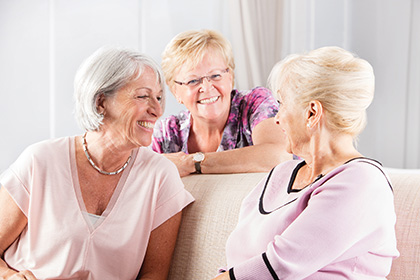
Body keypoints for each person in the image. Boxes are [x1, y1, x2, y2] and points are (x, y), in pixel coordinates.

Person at [0, 47, 194, 280]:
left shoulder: (161, 176)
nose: (158, 110)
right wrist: (9, 277)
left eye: (159, 97)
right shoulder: (40, 161)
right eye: (143, 96)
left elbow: (154, 275)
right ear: (101, 101)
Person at [213, 46, 399, 280]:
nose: (277, 118)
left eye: (282, 104)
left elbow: (279, 265)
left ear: (312, 113)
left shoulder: (362, 182)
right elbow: (237, 262)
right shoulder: (280, 175)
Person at [151, 29, 291, 176]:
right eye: (193, 81)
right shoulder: (168, 133)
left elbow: (279, 155)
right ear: (175, 91)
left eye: (215, 75)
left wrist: (191, 163)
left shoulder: (255, 104)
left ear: (230, 76)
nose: (206, 87)